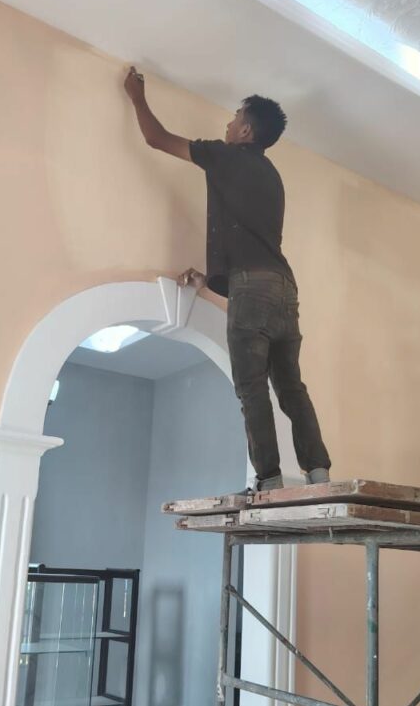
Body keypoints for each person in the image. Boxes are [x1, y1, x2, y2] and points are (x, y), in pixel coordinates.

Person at [123, 66, 331, 492]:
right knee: (291, 388)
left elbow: (156, 138)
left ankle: (269, 481)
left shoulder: (225, 156)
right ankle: (319, 474)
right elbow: (250, 237)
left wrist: (136, 95)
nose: (229, 123)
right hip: (283, 289)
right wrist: (211, 277)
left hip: (253, 288)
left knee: (251, 386)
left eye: (235, 117)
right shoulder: (272, 177)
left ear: (247, 131)